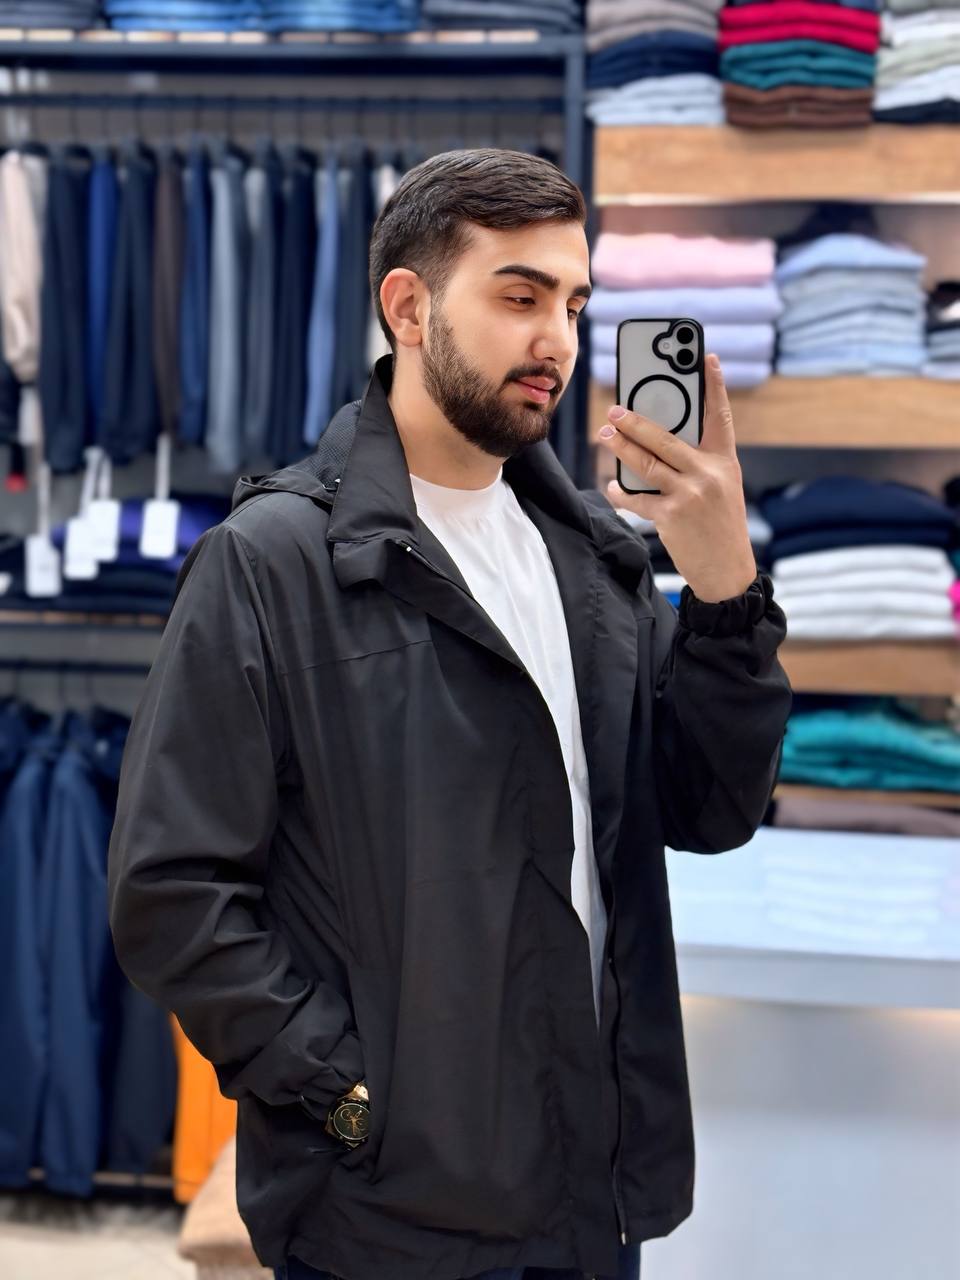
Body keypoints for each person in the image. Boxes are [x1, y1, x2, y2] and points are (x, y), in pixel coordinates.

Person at [107, 148, 792, 1280]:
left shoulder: (596, 560)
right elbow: (172, 892)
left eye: (574, 304)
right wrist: (345, 1094)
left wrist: (724, 588)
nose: (557, 339)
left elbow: (711, 808)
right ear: (410, 308)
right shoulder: (276, 563)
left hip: (592, 1193)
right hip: (387, 1212)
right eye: (520, 296)